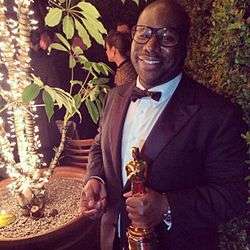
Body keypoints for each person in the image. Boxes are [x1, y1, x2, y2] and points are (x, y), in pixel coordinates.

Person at [80, 0, 248, 250]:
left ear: (184, 46)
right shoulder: (115, 96)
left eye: (167, 37)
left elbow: (234, 194)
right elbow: (99, 144)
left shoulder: (217, 114)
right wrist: (95, 179)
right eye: (144, 33)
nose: (150, 46)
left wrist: (167, 207)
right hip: (112, 239)